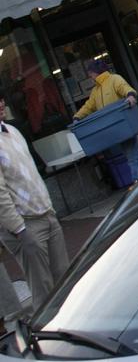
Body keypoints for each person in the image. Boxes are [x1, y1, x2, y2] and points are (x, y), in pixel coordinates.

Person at [0, 91, 68, 310]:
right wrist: (20, 230)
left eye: (1, 98)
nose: (1, 103)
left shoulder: (12, 131)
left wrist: (50, 209)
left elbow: (30, 174)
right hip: (25, 225)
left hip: (46, 215)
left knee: (66, 280)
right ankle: (47, 339)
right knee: (44, 292)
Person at [72, 58, 137, 120]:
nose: (89, 76)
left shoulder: (114, 79)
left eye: (90, 73)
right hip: (108, 122)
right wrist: (77, 116)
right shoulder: (95, 90)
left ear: (95, 72)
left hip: (123, 119)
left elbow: (125, 88)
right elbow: (88, 106)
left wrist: (131, 96)